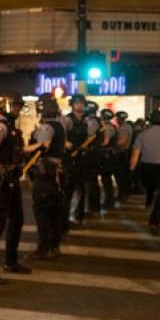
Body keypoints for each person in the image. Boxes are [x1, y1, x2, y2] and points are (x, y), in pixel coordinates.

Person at [0, 93, 31, 276]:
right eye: (15, 106)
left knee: (17, 220)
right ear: (6, 106)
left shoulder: (11, 127)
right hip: (2, 181)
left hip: (11, 179)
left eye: (20, 106)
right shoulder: (0, 126)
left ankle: (11, 261)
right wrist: (0, 171)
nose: (18, 109)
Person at [24, 93, 66, 260]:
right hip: (55, 174)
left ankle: (43, 248)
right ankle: (54, 246)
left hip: (45, 173)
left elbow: (43, 147)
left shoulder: (46, 127)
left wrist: (22, 150)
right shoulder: (60, 125)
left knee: (42, 212)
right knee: (54, 212)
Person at [62, 93, 89, 228]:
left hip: (82, 160)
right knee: (68, 190)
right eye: (77, 102)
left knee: (81, 190)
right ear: (72, 104)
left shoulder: (85, 121)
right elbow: (61, 137)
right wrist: (67, 144)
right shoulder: (67, 120)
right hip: (70, 159)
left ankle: (78, 216)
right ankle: (65, 219)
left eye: (81, 103)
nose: (80, 105)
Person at [98, 108, 118, 210]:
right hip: (109, 156)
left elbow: (106, 142)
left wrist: (96, 145)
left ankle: (109, 201)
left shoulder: (108, 128)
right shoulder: (110, 126)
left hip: (107, 156)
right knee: (106, 180)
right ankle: (109, 200)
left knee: (106, 179)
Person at [114, 111, 133, 203]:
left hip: (122, 153)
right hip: (125, 153)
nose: (116, 119)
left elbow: (122, 141)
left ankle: (122, 194)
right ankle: (123, 193)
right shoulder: (127, 126)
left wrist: (112, 144)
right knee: (123, 175)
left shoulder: (123, 128)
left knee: (120, 176)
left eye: (116, 118)